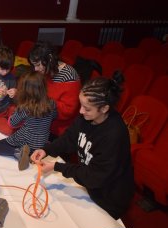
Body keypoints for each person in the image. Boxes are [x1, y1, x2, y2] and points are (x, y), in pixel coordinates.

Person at [30, 71, 135, 220]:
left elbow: (95, 176)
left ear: (104, 108)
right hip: (90, 186)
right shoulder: (86, 117)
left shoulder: (114, 135)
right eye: (81, 105)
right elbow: (70, 138)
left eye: (87, 108)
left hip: (108, 197)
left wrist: (57, 167)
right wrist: (46, 150)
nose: (80, 111)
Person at [0, 71, 57, 171]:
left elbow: (12, 123)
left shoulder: (25, 107)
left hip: (26, 140)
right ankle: (30, 155)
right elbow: (54, 116)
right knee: (32, 146)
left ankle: (18, 152)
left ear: (25, 89)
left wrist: (15, 111)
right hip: (42, 142)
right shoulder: (52, 103)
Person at [29, 41, 81, 140]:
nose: (35, 69)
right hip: (43, 121)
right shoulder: (45, 69)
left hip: (59, 129)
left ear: (49, 58)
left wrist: (43, 103)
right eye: (34, 65)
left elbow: (68, 111)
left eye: (38, 65)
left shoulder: (69, 76)